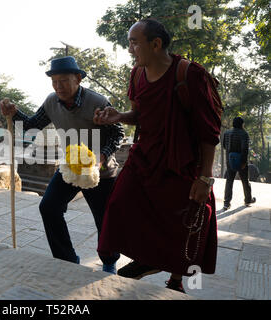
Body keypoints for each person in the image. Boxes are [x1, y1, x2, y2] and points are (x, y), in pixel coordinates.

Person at [93, 19, 222, 293]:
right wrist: (119, 117)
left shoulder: (190, 74)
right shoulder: (137, 74)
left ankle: (175, 280)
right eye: (129, 43)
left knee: (184, 221)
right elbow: (139, 114)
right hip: (145, 156)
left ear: (156, 44)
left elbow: (208, 131)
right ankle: (143, 260)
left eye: (134, 42)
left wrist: (205, 177)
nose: (130, 49)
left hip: (182, 160)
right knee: (120, 205)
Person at [0, 56, 124, 274]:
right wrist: (13, 113)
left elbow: (118, 133)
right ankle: (66, 259)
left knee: (104, 220)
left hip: (100, 172)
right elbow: (32, 125)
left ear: (78, 78)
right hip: (69, 167)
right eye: (54, 82)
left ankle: (109, 261)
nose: (59, 86)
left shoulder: (97, 102)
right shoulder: (51, 101)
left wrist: (100, 158)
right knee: (48, 207)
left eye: (64, 81)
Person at [222, 117, 256, 210]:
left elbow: (224, 145)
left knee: (229, 181)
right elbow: (244, 149)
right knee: (245, 181)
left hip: (230, 160)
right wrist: (244, 162)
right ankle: (248, 200)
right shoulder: (244, 133)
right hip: (241, 161)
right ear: (241, 124)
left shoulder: (227, 133)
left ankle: (226, 203)